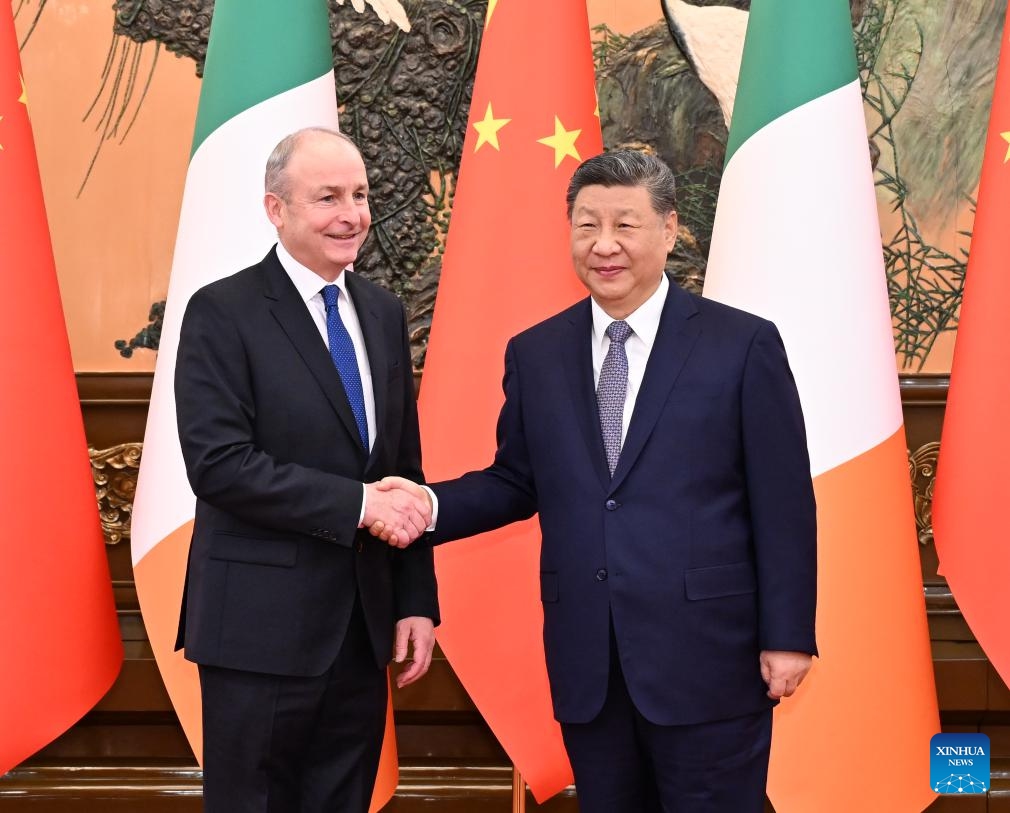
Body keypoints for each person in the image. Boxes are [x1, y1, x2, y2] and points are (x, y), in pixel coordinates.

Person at [375, 150, 817, 812]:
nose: (604, 245)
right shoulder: (537, 352)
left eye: (625, 225)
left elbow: (783, 504)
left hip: (710, 660)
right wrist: (429, 505)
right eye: (587, 225)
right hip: (591, 664)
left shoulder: (741, 345)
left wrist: (788, 635)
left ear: (669, 229)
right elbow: (515, 480)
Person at [174, 127, 438, 813]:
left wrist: (415, 598)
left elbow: (402, 470)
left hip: (361, 630)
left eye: (360, 195)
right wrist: (358, 505)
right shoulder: (221, 312)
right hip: (257, 633)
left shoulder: (381, 312)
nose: (351, 215)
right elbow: (220, 465)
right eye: (328, 198)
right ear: (276, 208)